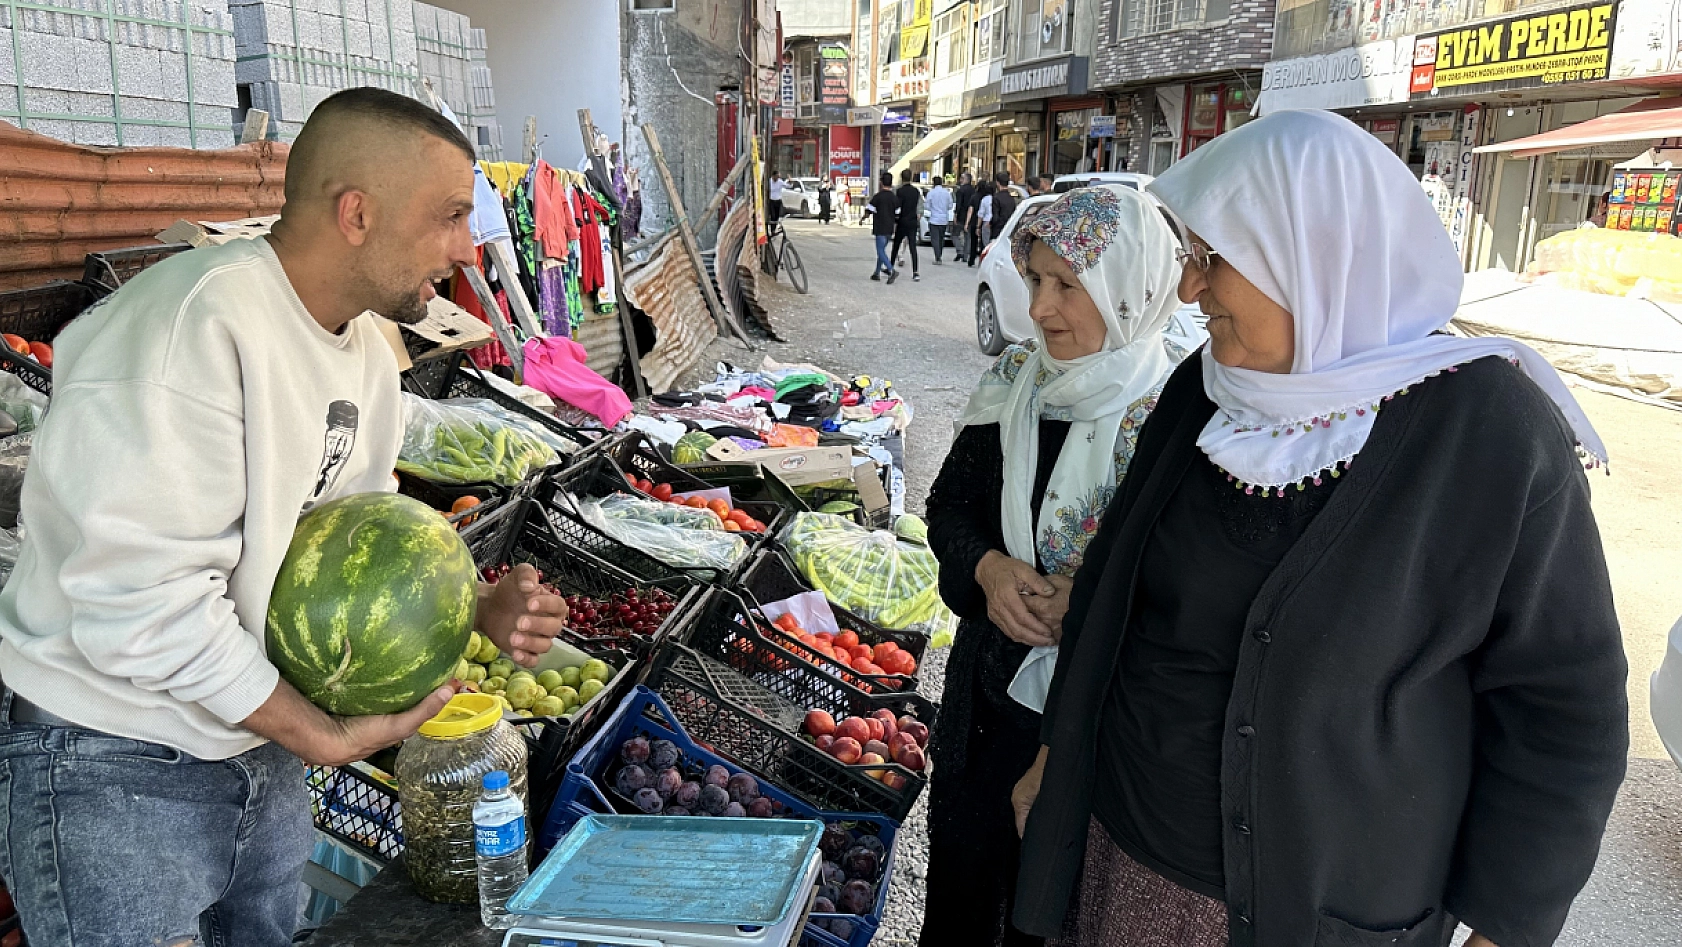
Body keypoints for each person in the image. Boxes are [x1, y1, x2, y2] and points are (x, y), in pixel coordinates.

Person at [1012, 109, 1627, 947]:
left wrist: (1504, 928)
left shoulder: (1487, 433)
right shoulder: (1209, 391)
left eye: (1213, 259)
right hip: (1128, 863)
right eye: (1191, 258)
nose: (1190, 290)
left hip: (1331, 912)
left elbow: (1564, 711)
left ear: (1312, 255)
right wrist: (1059, 751)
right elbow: (1114, 591)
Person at [0, 87, 570, 947]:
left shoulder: (367, 357)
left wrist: (467, 603)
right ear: (356, 212)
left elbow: (348, 557)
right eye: (452, 214)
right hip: (113, 768)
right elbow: (139, 603)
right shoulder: (193, 327)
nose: (468, 246)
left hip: (254, 746)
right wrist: (323, 736)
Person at [923, 186, 1185, 947]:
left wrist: (1095, 601)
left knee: (1057, 916)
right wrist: (989, 571)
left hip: (1098, 725)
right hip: (985, 703)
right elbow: (948, 508)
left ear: (1129, 288)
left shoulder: (1176, 412)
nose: (1040, 308)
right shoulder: (1015, 382)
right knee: (965, 906)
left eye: (1067, 284)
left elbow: (1189, 582)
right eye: (1035, 280)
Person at [892, 169, 923, 281]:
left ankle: (890, 267)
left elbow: (896, 206)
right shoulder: (916, 191)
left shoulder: (898, 191)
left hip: (901, 221)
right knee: (913, 247)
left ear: (901, 177)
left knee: (896, 245)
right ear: (910, 177)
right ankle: (915, 272)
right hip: (912, 221)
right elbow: (919, 207)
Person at [869, 171, 900, 284]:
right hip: (889, 228)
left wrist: (863, 218)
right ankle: (876, 273)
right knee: (881, 251)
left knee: (880, 251)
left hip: (879, 227)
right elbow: (897, 214)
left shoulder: (877, 197)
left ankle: (891, 270)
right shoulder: (894, 198)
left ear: (881, 183)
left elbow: (869, 210)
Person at [926, 175, 954, 264]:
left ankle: (937, 257)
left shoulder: (931, 193)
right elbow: (950, 205)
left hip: (934, 218)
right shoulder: (946, 193)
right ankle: (939, 255)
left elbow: (927, 206)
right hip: (943, 219)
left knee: (935, 239)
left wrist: (933, 209)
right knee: (941, 239)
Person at [955, 171, 977, 264]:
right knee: (968, 237)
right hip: (971, 216)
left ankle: (959, 250)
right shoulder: (973, 190)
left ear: (965, 180)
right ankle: (965, 256)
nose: (960, 180)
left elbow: (958, 204)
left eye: (961, 178)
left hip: (961, 215)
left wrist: (956, 214)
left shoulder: (961, 190)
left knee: (955, 234)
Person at [977, 180, 997, 250]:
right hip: (995, 222)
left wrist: (978, 226)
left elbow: (981, 214)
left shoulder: (985, 199)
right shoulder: (997, 198)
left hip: (986, 221)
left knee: (986, 243)